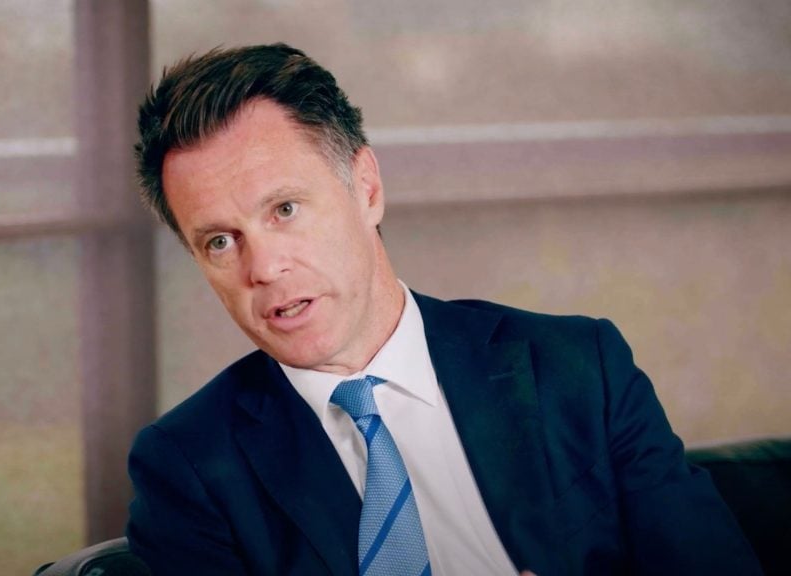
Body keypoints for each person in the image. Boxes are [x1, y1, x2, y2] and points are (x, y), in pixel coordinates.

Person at [125, 43, 761, 576]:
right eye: (219, 241)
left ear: (366, 188)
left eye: (284, 210)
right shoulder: (187, 467)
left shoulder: (577, 370)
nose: (262, 267)